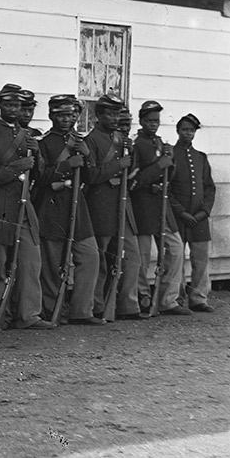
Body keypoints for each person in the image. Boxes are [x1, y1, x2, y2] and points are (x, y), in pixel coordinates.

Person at [0, 84, 52, 330]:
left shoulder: (28, 135)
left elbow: (39, 175)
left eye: (18, 106)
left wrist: (36, 155)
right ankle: (2, 316)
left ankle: (29, 314)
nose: (14, 110)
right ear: (0, 105)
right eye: (9, 105)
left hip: (23, 202)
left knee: (31, 260)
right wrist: (17, 166)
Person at [32, 95, 101, 325]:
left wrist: (88, 155)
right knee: (52, 265)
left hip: (78, 207)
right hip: (52, 208)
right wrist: (66, 166)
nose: (66, 119)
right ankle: (53, 311)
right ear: (51, 116)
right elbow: (40, 177)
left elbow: (92, 178)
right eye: (60, 115)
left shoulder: (82, 142)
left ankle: (82, 310)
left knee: (90, 256)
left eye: (71, 115)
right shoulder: (44, 143)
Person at [83, 93, 142, 320]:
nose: (115, 118)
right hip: (102, 205)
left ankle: (128, 304)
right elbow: (91, 175)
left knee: (132, 255)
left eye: (117, 113)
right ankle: (98, 306)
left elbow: (132, 170)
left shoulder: (121, 139)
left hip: (122, 206)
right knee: (101, 260)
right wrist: (119, 164)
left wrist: (130, 153)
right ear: (98, 115)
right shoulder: (91, 140)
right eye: (110, 113)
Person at [129, 101, 185, 316]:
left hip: (162, 205)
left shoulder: (161, 143)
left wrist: (170, 163)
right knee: (142, 256)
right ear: (141, 121)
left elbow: (168, 174)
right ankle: (143, 296)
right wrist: (159, 166)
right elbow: (135, 180)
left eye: (156, 121)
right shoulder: (137, 145)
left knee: (176, 248)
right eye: (149, 121)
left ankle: (168, 299)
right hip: (143, 206)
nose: (153, 125)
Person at [170, 114, 215, 313]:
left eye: (192, 130)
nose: (188, 133)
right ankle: (177, 297)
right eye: (185, 129)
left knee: (201, 258)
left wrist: (203, 212)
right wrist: (181, 212)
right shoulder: (170, 154)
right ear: (178, 131)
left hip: (199, 218)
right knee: (176, 258)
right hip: (179, 217)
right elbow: (168, 190)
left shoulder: (201, 158)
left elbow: (209, 188)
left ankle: (198, 298)